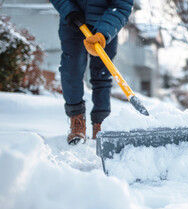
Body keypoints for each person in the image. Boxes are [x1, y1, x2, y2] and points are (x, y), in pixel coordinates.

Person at [49, 0, 133, 145]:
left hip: (105, 25)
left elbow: (122, 5)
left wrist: (103, 32)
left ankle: (101, 124)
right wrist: (69, 11)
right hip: (73, 22)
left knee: (102, 74)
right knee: (71, 70)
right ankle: (77, 121)